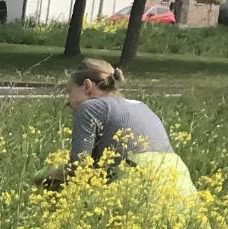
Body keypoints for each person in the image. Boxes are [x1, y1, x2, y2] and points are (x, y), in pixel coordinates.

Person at [40, 58, 196, 199]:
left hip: (140, 192)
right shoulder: (141, 106)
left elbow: (79, 169)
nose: (69, 100)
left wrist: (42, 177)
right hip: (182, 191)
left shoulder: (89, 108)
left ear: (87, 86)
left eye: (70, 91)